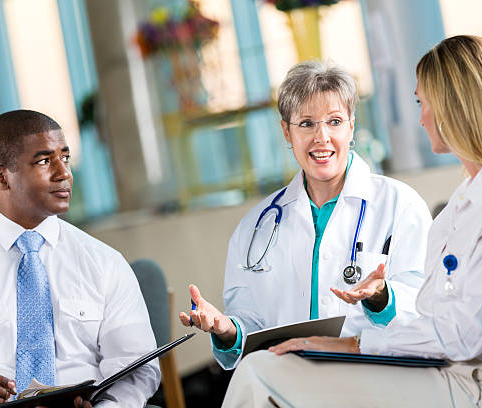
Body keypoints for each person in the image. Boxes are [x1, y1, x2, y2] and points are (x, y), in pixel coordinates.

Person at [221, 35, 482, 407]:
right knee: (268, 369)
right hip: (444, 374)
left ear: (455, 107)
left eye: (423, 102)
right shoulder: (477, 195)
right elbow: (440, 313)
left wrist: (354, 344)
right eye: (306, 123)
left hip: (475, 389)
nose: (421, 117)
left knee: (260, 373)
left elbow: (464, 335)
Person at [178, 61, 433, 370]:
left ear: (352, 126)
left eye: (335, 121)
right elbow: (251, 329)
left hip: (375, 375)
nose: (321, 137)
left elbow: (424, 311)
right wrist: (226, 330)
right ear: (287, 131)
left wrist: (381, 297)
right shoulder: (255, 228)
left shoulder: (400, 206)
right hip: (292, 379)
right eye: (307, 124)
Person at [0, 110, 160, 407]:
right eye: (44, 161)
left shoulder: (104, 262)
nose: (63, 173)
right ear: (0, 178)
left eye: (65, 157)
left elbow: (136, 368)